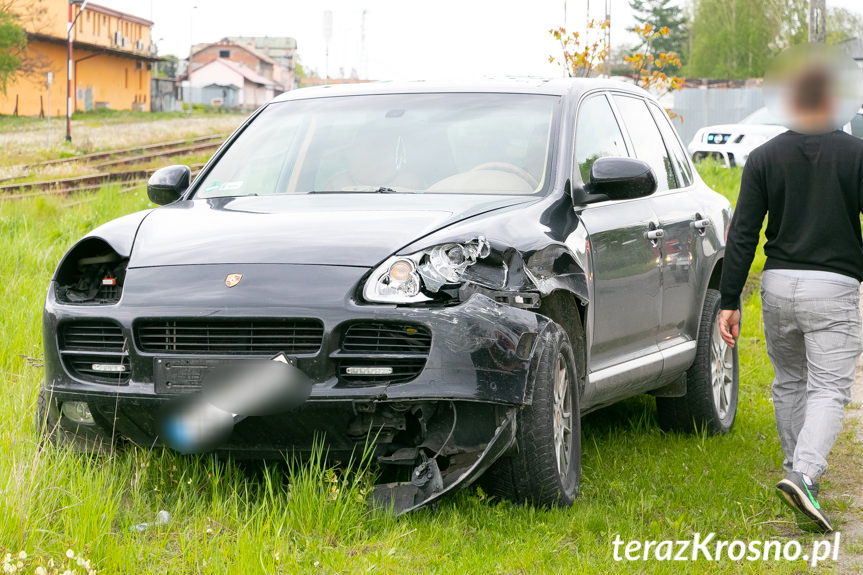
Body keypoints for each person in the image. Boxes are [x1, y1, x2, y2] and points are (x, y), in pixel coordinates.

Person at [718, 59, 863, 533]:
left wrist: (729, 298)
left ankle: (793, 470)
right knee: (829, 388)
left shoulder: (764, 157)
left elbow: (742, 233)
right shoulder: (856, 154)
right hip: (833, 285)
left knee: (790, 381)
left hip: (779, 284)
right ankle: (805, 473)